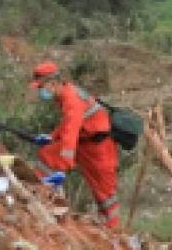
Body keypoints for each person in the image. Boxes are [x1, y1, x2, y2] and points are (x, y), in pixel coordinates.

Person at [28, 63, 122, 228]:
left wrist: (65, 160)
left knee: (106, 194)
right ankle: (40, 193)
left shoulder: (71, 99)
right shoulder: (64, 94)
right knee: (46, 155)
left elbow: (71, 130)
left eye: (42, 87)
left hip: (99, 148)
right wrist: (52, 137)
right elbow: (67, 125)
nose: (41, 91)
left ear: (53, 83)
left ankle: (113, 230)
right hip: (84, 143)